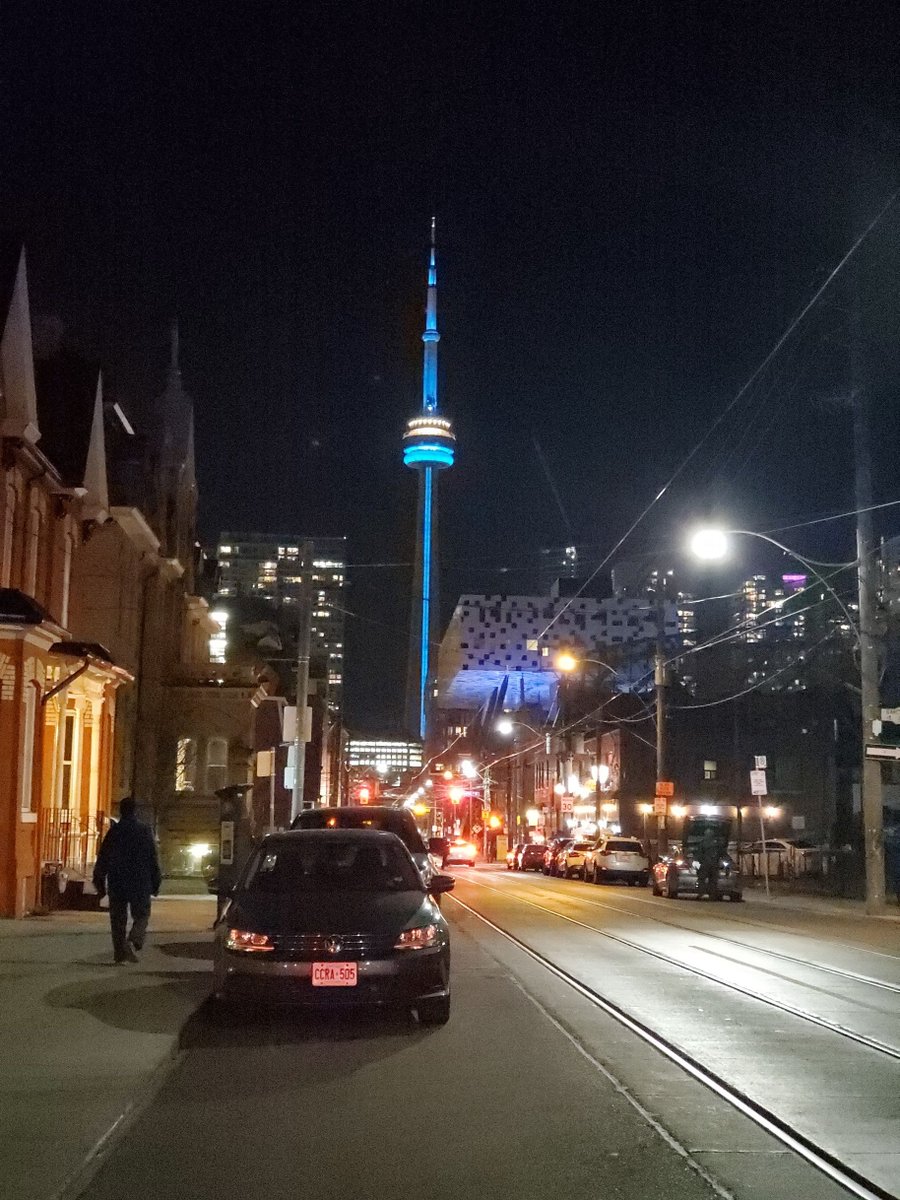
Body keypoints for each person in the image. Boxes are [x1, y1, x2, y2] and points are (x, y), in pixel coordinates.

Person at [93, 797, 162, 964]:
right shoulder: (144, 831)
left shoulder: (114, 832)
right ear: (135, 811)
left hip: (117, 881)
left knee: (117, 919)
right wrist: (156, 882)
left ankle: (119, 952)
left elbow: (103, 858)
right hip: (140, 881)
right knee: (142, 915)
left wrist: (99, 883)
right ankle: (134, 940)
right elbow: (153, 858)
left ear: (121, 811)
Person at [696, 826, 721, 900]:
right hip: (714, 865)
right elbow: (721, 853)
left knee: (702, 880)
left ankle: (701, 894)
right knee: (713, 881)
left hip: (705, 865)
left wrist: (698, 864)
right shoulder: (717, 843)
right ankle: (712, 895)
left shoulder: (702, 843)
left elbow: (699, 854)